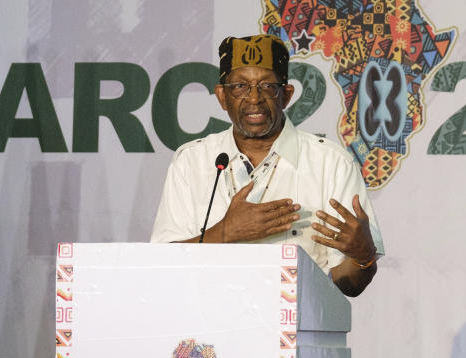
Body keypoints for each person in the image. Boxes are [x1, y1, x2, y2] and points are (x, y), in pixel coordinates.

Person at [150, 34, 384, 296]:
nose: (254, 98)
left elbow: (348, 285)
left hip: (295, 330)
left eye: (267, 86)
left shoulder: (331, 163)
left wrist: (363, 258)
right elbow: (162, 265)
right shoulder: (191, 161)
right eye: (240, 86)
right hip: (210, 328)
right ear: (222, 97)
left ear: (285, 95)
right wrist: (225, 232)